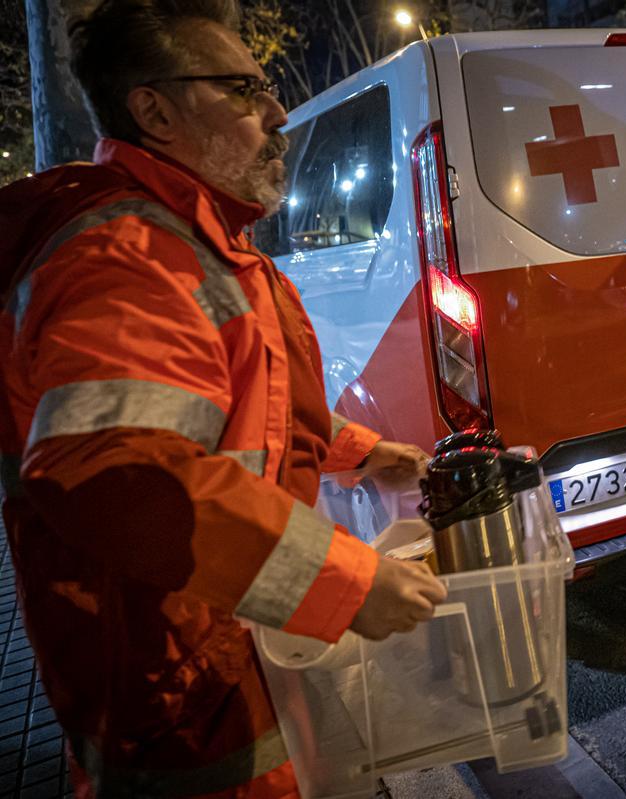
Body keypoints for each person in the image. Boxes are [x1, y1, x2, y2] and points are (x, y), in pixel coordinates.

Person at [0, 0, 448, 794]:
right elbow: (114, 469)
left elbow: (251, 405)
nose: (274, 110)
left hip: (230, 647)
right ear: (155, 110)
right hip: (177, 689)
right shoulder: (126, 257)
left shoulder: (203, 245)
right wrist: (342, 583)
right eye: (240, 90)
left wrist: (361, 452)